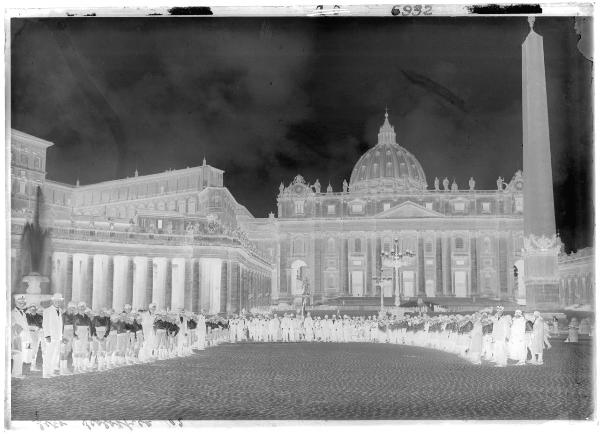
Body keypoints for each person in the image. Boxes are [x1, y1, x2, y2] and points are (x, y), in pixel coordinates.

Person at [42, 293, 64, 378]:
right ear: (53, 301)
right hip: (50, 336)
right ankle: (46, 373)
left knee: (56, 355)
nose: (58, 302)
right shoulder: (47, 310)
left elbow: (60, 324)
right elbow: (45, 324)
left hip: (58, 336)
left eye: (59, 301)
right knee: (49, 355)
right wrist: (47, 336)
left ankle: (51, 371)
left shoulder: (61, 311)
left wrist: (61, 336)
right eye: (56, 301)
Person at [11, 295, 30, 378]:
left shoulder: (23, 313)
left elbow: (25, 325)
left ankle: (18, 373)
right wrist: (21, 333)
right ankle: (16, 373)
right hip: (17, 336)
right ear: (16, 302)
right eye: (20, 302)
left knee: (21, 356)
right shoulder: (12, 313)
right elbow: (13, 325)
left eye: (23, 302)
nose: (22, 304)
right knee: (17, 355)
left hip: (24, 337)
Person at [72, 302, 94, 373]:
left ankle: (81, 366)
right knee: (77, 351)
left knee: (83, 351)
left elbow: (90, 327)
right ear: (78, 308)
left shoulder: (87, 317)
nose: (82, 308)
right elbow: (72, 327)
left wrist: (90, 336)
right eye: (80, 307)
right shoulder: (75, 317)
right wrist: (74, 335)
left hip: (85, 335)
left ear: (85, 308)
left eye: (83, 307)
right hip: (78, 334)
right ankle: (76, 367)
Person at [26, 305, 43, 372]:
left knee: (35, 350)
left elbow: (42, 326)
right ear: (29, 310)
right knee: (27, 350)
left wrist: (38, 328)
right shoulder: (26, 316)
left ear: (36, 309)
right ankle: (26, 364)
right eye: (31, 309)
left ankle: (33, 365)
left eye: (34, 309)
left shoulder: (40, 317)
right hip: (28, 335)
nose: (33, 310)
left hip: (36, 335)